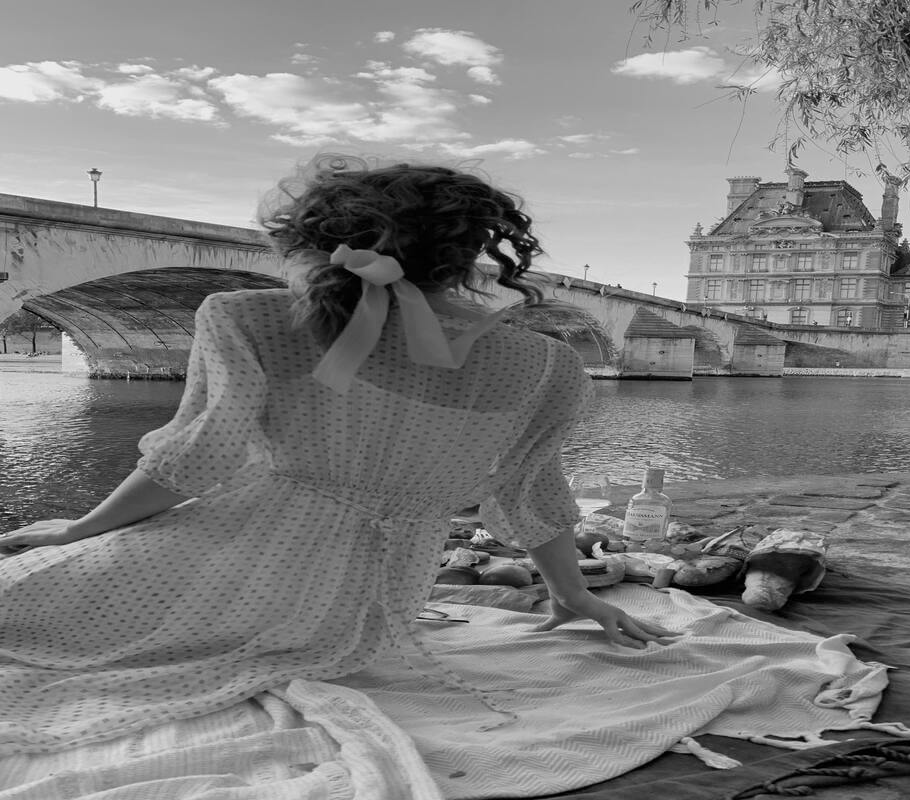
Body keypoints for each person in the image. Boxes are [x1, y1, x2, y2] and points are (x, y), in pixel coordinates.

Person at [0, 155, 676, 754]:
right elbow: (532, 494)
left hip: (234, 564)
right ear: (471, 251)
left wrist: (79, 530)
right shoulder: (547, 365)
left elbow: (193, 464)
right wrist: (573, 592)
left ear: (319, 240)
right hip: (365, 613)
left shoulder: (248, 317)